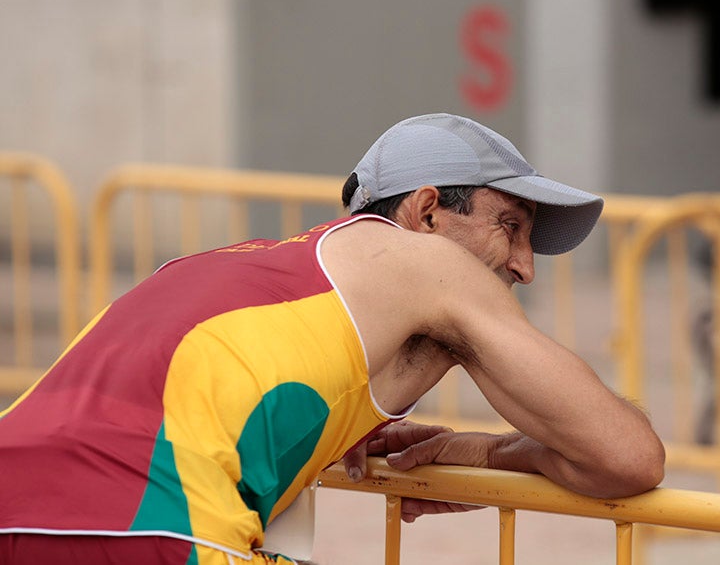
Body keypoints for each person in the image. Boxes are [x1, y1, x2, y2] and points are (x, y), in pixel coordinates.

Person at [0, 113, 665, 564]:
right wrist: (503, 452)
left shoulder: (230, 267)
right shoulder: (432, 264)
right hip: (153, 520)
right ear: (427, 211)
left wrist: (458, 445)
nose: (523, 264)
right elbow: (629, 455)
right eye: (510, 225)